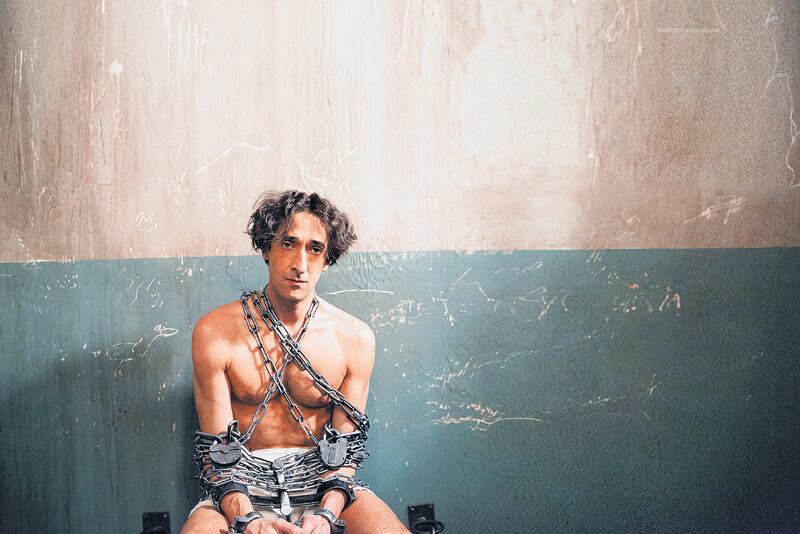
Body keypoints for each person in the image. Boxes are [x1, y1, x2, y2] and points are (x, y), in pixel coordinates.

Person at [181, 191, 409, 534]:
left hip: (325, 489)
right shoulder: (214, 332)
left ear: (328, 258)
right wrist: (248, 519)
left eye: (315, 249)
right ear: (266, 248)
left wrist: (326, 515)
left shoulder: (355, 338)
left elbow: (345, 453)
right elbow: (218, 455)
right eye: (288, 243)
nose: (300, 264)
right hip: (239, 491)